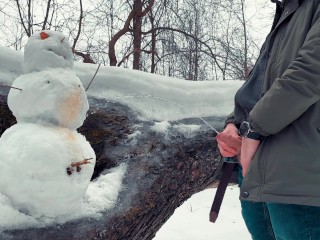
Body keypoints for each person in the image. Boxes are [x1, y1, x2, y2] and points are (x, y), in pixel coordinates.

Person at [216, 0, 320, 239]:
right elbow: (260, 85)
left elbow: (310, 71)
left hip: (300, 174)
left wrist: (254, 129)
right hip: (259, 169)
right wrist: (234, 123)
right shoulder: (288, 12)